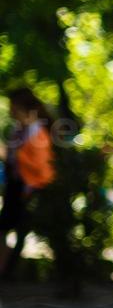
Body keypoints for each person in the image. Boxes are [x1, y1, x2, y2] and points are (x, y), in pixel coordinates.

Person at [0, 87, 56, 277]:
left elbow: (36, 163)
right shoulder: (19, 130)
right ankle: (7, 271)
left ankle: (8, 272)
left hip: (30, 188)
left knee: (18, 231)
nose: (10, 110)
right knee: (9, 230)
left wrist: (7, 153)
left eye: (13, 106)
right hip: (17, 187)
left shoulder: (37, 132)